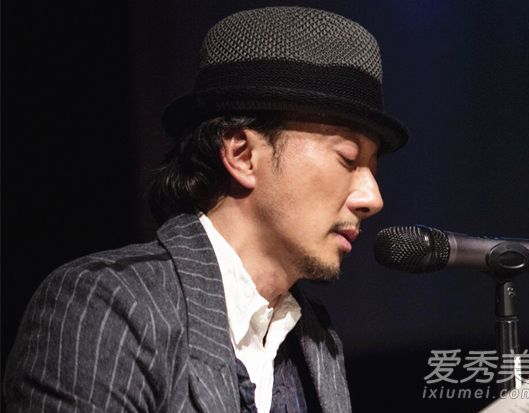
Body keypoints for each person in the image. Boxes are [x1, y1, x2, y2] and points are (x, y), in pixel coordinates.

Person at [4, 6, 408, 413]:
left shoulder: (316, 339)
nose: (372, 198)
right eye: (348, 159)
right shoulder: (111, 304)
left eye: (373, 170)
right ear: (242, 154)